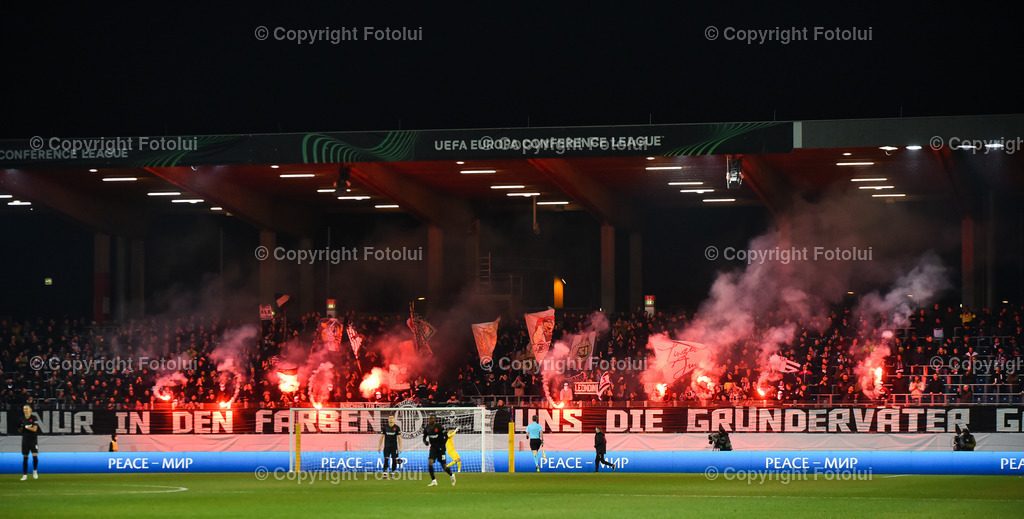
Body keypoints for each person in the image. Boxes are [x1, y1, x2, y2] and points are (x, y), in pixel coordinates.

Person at [422, 415, 454, 487]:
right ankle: (434, 481)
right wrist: (425, 442)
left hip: (441, 449)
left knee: (444, 466)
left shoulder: (440, 427)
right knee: (430, 462)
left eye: (431, 419)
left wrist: (442, 445)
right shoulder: (427, 428)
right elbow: (424, 437)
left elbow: (445, 436)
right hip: (433, 448)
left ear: (435, 420)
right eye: (429, 419)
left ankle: (452, 475)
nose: (430, 420)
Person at [19, 405, 39, 480]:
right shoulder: (21, 419)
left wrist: (27, 427)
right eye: (24, 409)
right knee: (25, 458)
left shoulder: (34, 418)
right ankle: (24, 474)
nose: (25, 410)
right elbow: (20, 430)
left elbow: (34, 429)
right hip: (25, 440)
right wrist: (21, 428)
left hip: (33, 440)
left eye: (26, 409)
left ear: (30, 410)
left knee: (35, 456)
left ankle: (35, 471)